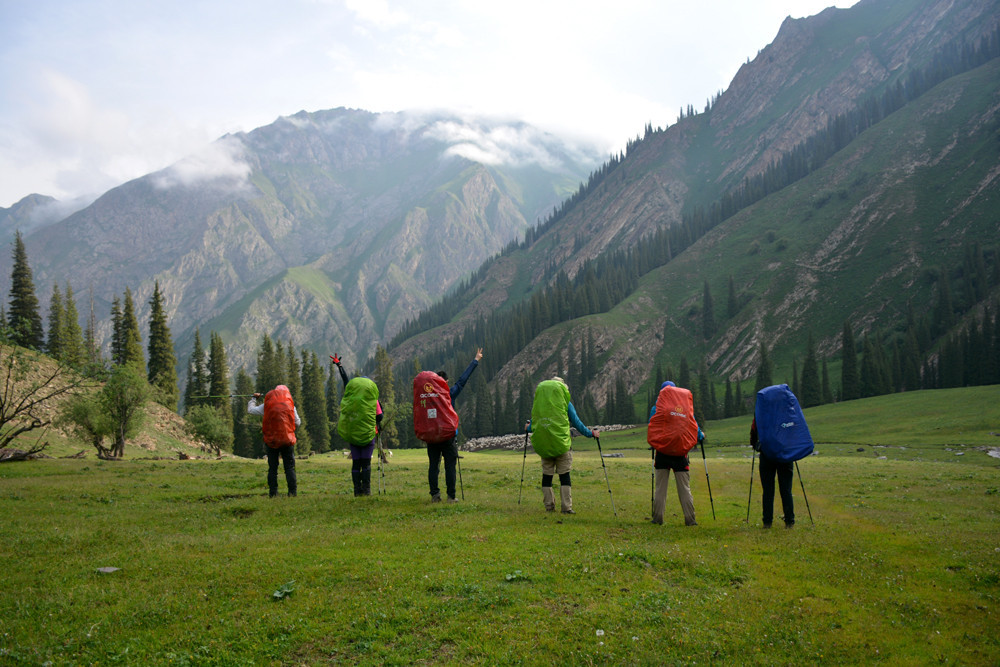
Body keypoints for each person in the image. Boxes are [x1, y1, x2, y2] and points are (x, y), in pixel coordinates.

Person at [415, 348, 483, 503]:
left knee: (433, 466)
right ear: (444, 382)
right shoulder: (449, 393)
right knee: (450, 466)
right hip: (448, 436)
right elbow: (462, 380)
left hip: (431, 436)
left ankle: (435, 495)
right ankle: (451, 497)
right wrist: (475, 360)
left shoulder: (428, 396)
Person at [525, 376, 599, 514]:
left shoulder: (540, 404)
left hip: (545, 445)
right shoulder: (566, 403)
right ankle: (566, 508)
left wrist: (528, 428)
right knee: (564, 475)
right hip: (562, 445)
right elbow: (576, 423)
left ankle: (549, 506)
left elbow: (535, 424)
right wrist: (590, 434)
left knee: (547, 476)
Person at [647, 381, 703, 526]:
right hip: (680, 454)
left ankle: (658, 518)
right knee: (684, 488)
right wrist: (701, 436)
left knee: (660, 488)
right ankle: (690, 519)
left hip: (662, 453)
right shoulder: (684, 408)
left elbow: (651, 426)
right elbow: (694, 426)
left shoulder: (656, 408)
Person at [332, 354, 383, 496]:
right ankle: (366, 490)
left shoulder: (351, 397)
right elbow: (380, 416)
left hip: (353, 436)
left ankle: (356, 491)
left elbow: (346, 381)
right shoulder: (374, 400)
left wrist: (340, 366)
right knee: (366, 463)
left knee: (356, 463)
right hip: (368, 436)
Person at [248, 385, 301, 498]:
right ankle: (292, 493)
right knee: (289, 468)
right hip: (287, 440)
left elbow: (251, 410)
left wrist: (253, 399)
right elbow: (298, 422)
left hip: (272, 441)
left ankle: (273, 494)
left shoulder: (268, 405)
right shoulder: (290, 405)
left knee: (273, 469)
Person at [751, 417, 795, 528]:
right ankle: (789, 521)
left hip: (767, 454)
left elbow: (754, 429)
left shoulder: (762, 408)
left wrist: (755, 444)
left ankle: (767, 522)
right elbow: (793, 428)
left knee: (768, 491)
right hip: (785, 453)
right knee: (786, 490)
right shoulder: (786, 408)